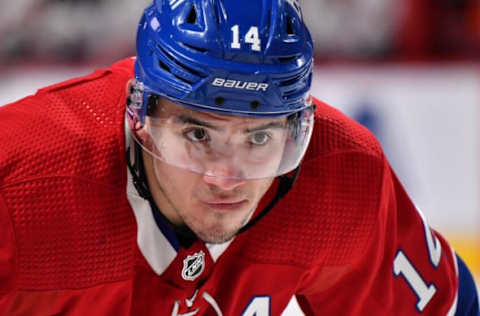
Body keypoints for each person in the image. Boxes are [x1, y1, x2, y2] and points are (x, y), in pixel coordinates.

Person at [0, 0, 478, 315]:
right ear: (139, 114)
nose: (226, 177)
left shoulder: (340, 174)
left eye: (259, 139)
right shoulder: (20, 182)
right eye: (197, 133)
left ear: (297, 128)